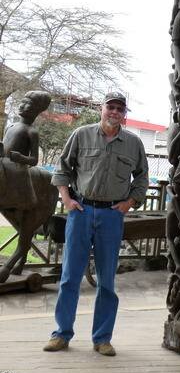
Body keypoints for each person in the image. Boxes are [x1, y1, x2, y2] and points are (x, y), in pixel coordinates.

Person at [43, 92, 148, 356]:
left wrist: (129, 203)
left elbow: (142, 178)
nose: (114, 112)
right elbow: (63, 168)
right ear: (102, 109)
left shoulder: (133, 143)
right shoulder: (81, 134)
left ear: (125, 114)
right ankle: (61, 333)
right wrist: (66, 199)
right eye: (110, 107)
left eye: (119, 109)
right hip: (81, 211)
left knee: (107, 279)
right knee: (70, 276)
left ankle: (102, 338)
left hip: (111, 215)